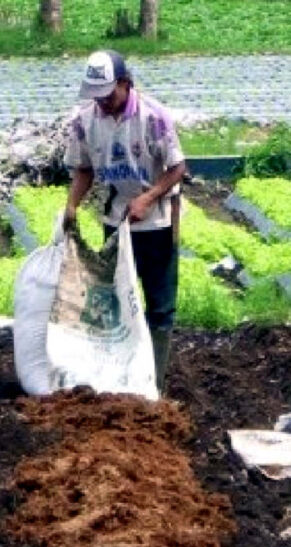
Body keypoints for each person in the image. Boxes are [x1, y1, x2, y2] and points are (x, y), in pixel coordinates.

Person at [64, 50, 186, 396]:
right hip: (116, 221)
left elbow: (178, 168)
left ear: (125, 84)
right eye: (96, 97)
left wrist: (148, 198)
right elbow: (84, 168)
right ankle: (119, 379)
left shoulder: (153, 116)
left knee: (159, 307)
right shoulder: (85, 121)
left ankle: (153, 385)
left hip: (159, 222)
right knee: (117, 302)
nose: (103, 103)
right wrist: (72, 205)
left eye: (109, 95)